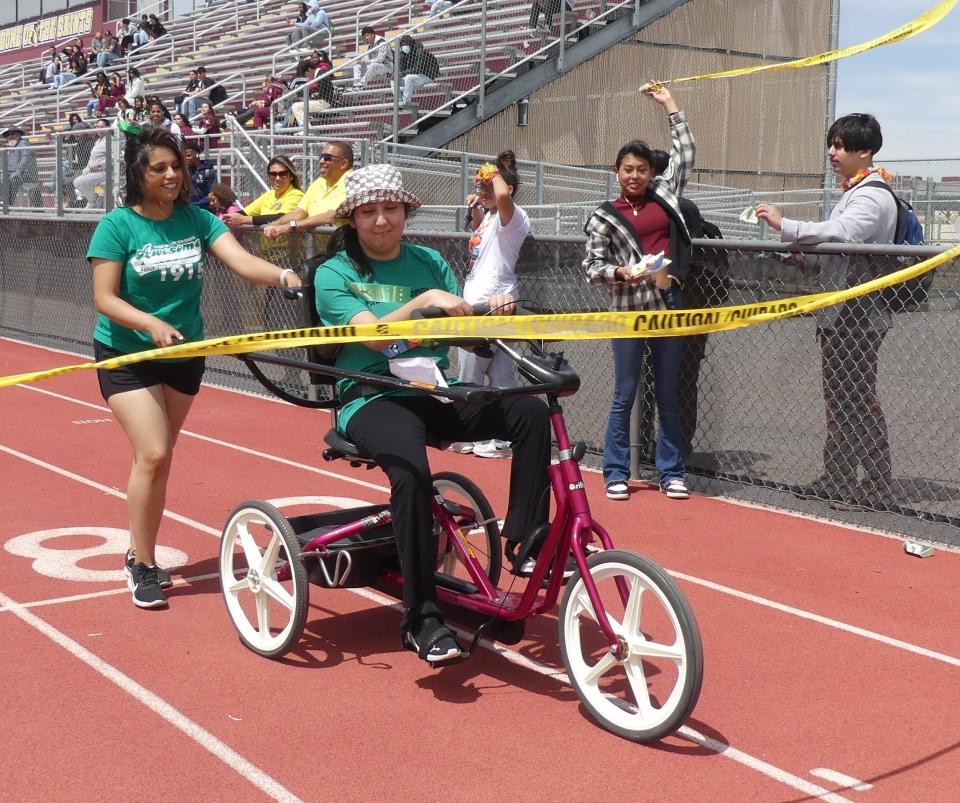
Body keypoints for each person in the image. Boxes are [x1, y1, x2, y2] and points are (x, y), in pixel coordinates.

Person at [312, 164, 551, 663]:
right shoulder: (335, 272)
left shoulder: (428, 261)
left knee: (529, 410)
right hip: (370, 396)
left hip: (433, 390)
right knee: (414, 476)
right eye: (369, 211)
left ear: (406, 212)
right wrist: (424, 302)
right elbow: (367, 334)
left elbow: (457, 331)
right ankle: (420, 619)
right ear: (351, 219)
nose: (382, 220)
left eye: (391, 209)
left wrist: (490, 313)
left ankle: (526, 545)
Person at [87, 126, 301, 608]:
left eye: (175, 166)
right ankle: (143, 564)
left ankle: (136, 549)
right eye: (158, 167)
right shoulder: (117, 226)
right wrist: (150, 324)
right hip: (129, 354)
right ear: (137, 174)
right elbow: (105, 299)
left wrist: (284, 274)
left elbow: (243, 262)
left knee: (157, 463)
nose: (169, 175)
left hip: (185, 354)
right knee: (156, 452)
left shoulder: (199, 220)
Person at [756, 113, 898, 509]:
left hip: (860, 315)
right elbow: (836, 253)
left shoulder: (873, 195)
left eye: (840, 145)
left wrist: (788, 226)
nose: (831, 152)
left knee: (856, 399)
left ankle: (875, 485)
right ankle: (838, 477)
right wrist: (801, 257)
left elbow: (844, 234)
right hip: (841, 314)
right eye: (831, 144)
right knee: (840, 399)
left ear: (864, 151)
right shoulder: (854, 191)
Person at [583, 86, 694, 502]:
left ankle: (671, 472)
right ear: (617, 172)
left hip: (668, 304)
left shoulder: (664, 196)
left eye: (642, 169)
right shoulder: (602, 216)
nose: (635, 176)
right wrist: (620, 271)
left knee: (668, 392)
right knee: (624, 393)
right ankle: (614, 472)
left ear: (651, 173)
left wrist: (670, 106)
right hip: (627, 307)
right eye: (628, 169)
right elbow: (591, 268)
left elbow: (684, 154)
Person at [450, 160, 530, 459]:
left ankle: (477, 432)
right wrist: (476, 210)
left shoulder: (514, 216)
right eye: (479, 185)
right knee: (499, 372)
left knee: (472, 371)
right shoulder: (488, 217)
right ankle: (499, 435)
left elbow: (504, 198)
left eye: (488, 185)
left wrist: (494, 173)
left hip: (495, 302)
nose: (483, 189)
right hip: (478, 300)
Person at [263, 139, 353, 237]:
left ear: (344, 164)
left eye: (327, 157)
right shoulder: (318, 183)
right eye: (321, 156)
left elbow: (331, 216)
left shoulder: (351, 182)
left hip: (343, 248)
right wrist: (274, 225)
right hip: (317, 248)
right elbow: (298, 213)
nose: (322, 161)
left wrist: (290, 226)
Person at [223, 155, 304, 228]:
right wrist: (228, 218)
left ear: (291, 177)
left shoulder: (296, 195)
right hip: (266, 244)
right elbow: (244, 213)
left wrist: (244, 220)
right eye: (273, 174)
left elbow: (282, 218)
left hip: (289, 244)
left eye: (283, 174)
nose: (277, 178)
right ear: (268, 177)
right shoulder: (269, 195)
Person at [73, 118, 110, 207]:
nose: (99, 129)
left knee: (78, 181)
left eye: (101, 127)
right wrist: (86, 169)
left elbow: (112, 157)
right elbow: (92, 159)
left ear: (107, 127)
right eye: (97, 127)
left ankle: (92, 202)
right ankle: (94, 201)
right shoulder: (98, 141)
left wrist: (100, 166)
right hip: (94, 172)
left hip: (105, 172)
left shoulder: (110, 140)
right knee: (79, 181)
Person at [2, 127, 41, 208]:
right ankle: (3, 201)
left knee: (14, 178)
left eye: (13, 134)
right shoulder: (12, 146)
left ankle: (7, 204)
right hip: (16, 174)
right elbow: (9, 165)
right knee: (4, 178)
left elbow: (25, 159)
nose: (10, 136)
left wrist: (17, 172)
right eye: (8, 135)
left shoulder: (23, 143)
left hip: (28, 175)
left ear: (19, 135)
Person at [396, 35, 439, 106]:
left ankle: (406, 102)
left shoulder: (419, 52)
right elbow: (401, 69)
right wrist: (401, 61)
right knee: (394, 80)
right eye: (402, 45)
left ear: (410, 44)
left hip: (426, 76)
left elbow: (418, 69)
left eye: (406, 44)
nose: (404, 47)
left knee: (408, 77)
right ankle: (399, 102)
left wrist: (402, 73)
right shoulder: (403, 54)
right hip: (414, 78)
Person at [351, 26, 393, 92]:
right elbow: (367, 59)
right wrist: (360, 62)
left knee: (373, 65)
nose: (366, 38)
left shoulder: (382, 43)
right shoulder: (370, 46)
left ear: (373, 34)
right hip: (376, 67)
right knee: (357, 65)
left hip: (387, 67)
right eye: (364, 36)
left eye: (367, 35)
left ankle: (362, 85)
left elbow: (380, 60)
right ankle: (357, 84)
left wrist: (365, 61)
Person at [181, 141, 217, 209]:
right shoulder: (184, 171)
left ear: (197, 154)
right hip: (189, 210)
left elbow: (213, 193)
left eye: (189, 156)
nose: (186, 158)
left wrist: (197, 204)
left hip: (206, 211)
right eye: (185, 156)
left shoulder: (208, 172)